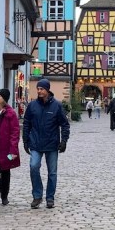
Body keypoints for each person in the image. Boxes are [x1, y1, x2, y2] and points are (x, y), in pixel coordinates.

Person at [22, 78, 70, 209]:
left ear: (47, 90)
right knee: (33, 167)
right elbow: (26, 124)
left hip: (52, 143)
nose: (39, 91)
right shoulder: (32, 106)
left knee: (52, 172)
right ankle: (37, 195)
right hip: (36, 143)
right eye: (38, 89)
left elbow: (64, 125)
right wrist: (25, 140)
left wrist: (64, 141)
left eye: (41, 89)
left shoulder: (57, 105)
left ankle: (50, 197)